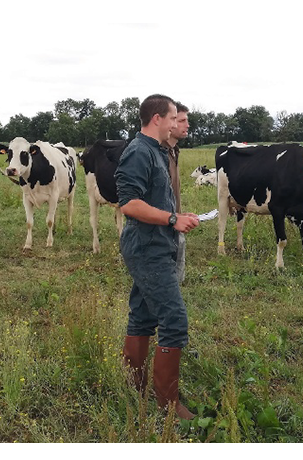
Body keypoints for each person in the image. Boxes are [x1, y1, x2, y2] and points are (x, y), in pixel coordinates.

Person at [116, 94, 199, 420]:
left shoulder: (155, 151)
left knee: (142, 316)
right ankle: (167, 404)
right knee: (174, 320)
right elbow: (129, 204)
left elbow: (153, 199)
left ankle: (133, 384)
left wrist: (176, 215)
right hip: (146, 248)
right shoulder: (139, 152)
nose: (175, 123)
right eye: (172, 118)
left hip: (156, 244)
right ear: (156, 119)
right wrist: (171, 219)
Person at [163, 102, 191, 284]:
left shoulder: (174, 151)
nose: (187, 125)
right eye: (181, 120)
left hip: (174, 220)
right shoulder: (157, 153)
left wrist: (180, 215)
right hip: (162, 225)